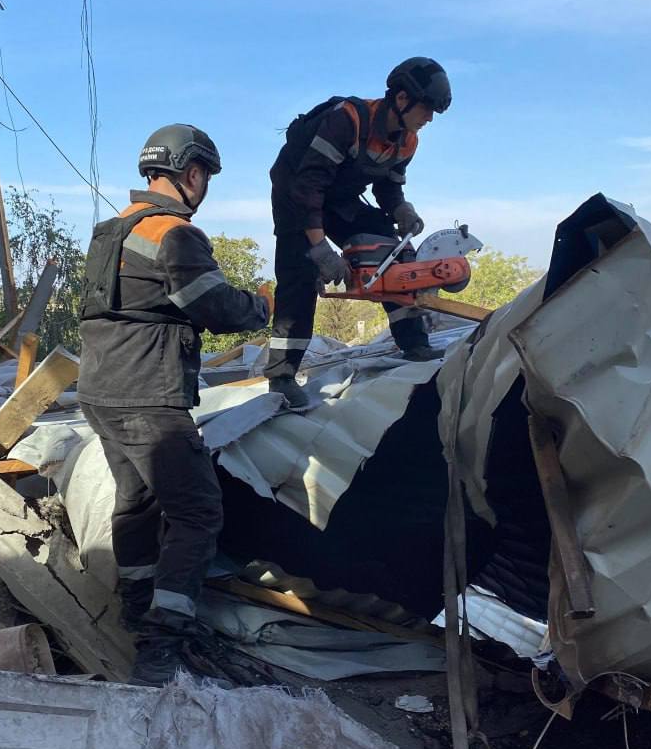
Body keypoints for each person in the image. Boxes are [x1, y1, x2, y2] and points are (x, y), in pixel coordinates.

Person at [77, 124, 271, 685]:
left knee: (136, 503)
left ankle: (136, 604)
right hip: (149, 396)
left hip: (100, 391)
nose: (204, 185)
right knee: (197, 513)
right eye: (204, 176)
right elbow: (214, 308)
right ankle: (163, 642)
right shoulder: (175, 233)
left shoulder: (110, 230)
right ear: (192, 174)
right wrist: (260, 306)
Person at [265, 57, 452, 409]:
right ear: (401, 99)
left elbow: (388, 187)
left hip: (339, 196)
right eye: (426, 109)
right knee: (299, 273)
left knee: (388, 250)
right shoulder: (346, 121)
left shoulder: (408, 141)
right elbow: (309, 187)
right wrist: (319, 248)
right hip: (296, 192)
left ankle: (414, 342)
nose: (429, 118)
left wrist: (400, 209)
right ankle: (282, 374)